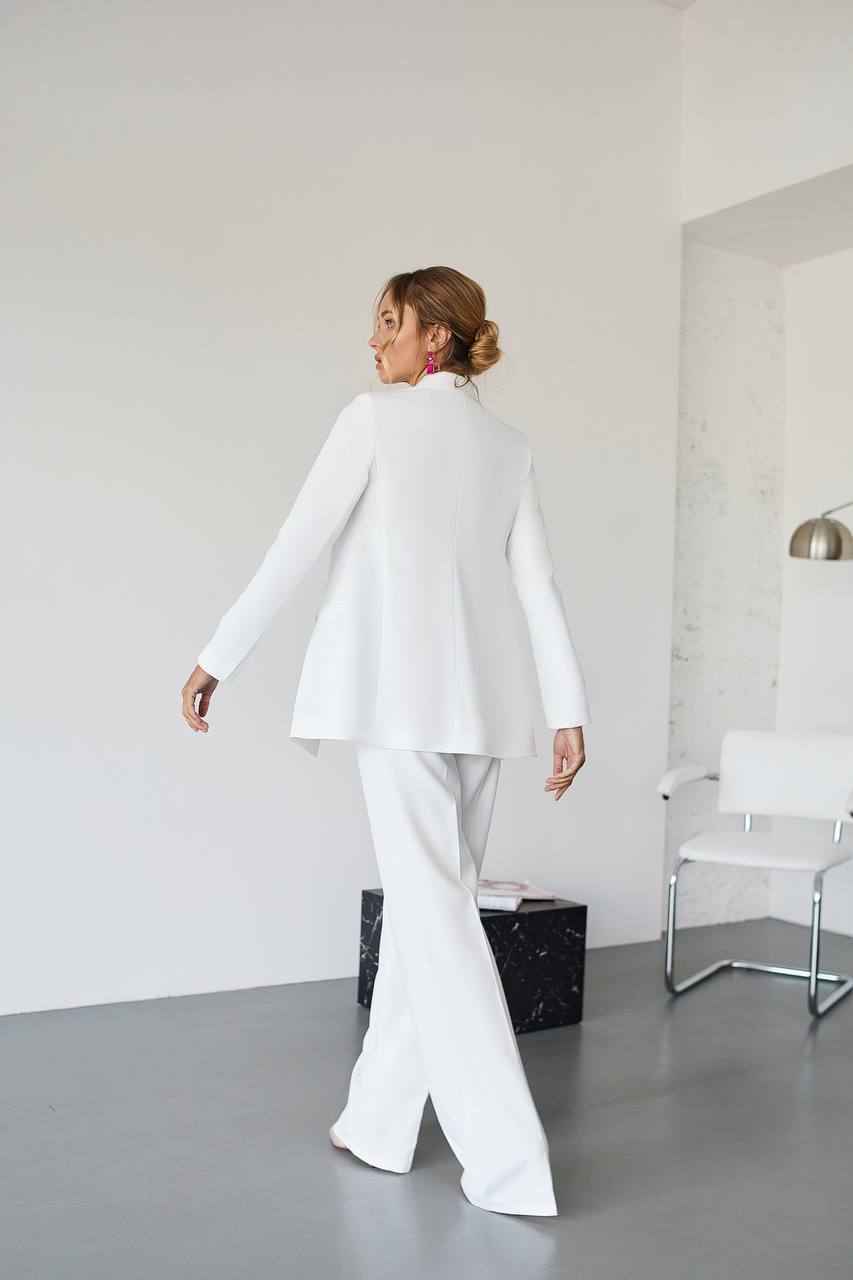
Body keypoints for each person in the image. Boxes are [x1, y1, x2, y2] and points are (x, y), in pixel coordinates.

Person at [182, 266, 591, 1217]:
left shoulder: (370, 418)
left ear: (433, 339)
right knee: (426, 916)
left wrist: (217, 655)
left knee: (437, 922)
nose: (374, 344)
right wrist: (568, 712)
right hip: (486, 716)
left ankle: (508, 1163)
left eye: (388, 324)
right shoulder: (509, 446)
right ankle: (376, 1121)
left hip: (399, 707)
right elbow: (539, 590)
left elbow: (294, 543)